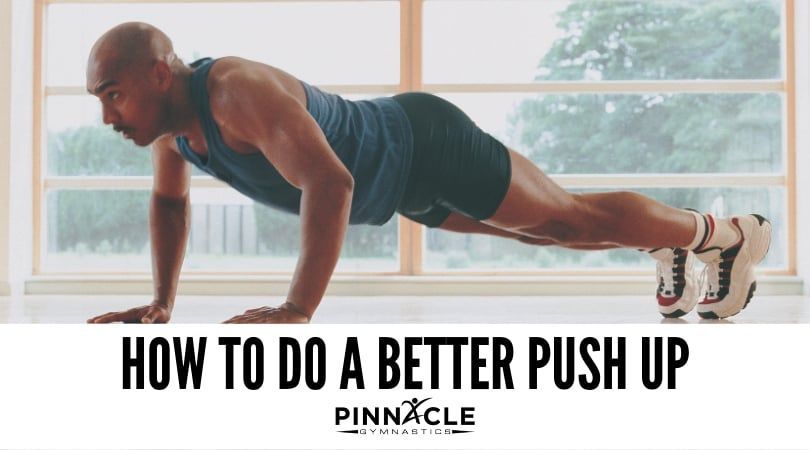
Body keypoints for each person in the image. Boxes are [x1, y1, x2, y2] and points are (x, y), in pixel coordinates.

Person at [84, 22, 771, 325]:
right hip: (404, 188)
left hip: (421, 142)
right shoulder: (174, 135)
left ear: (157, 72)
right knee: (545, 233)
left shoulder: (234, 91)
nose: (107, 114)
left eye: (112, 92)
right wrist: (162, 299)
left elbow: (331, 183)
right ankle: (669, 241)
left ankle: (728, 236)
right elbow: (170, 209)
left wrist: (298, 307)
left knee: (569, 221)